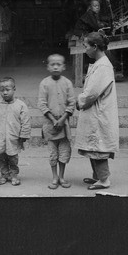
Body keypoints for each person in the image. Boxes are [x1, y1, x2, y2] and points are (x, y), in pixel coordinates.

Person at [75, 32, 119, 190]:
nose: (85, 49)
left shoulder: (103, 66)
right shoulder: (99, 63)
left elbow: (92, 93)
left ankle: (104, 179)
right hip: (94, 112)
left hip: (99, 113)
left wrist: (79, 100)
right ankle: (98, 177)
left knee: (98, 147)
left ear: (95, 47)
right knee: (92, 146)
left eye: (86, 46)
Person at [38, 54, 75, 189]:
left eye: (58, 64)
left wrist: (62, 118)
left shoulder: (67, 83)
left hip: (64, 125)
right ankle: (54, 177)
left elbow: (72, 103)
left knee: (64, 152)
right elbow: (42, 104)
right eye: (52, 64)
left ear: (63, 67)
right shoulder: (44, 83)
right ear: (48, 67)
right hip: (50, 124)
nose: (55, 66)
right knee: (53, 153)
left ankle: (62, 176)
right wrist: (53, 120)